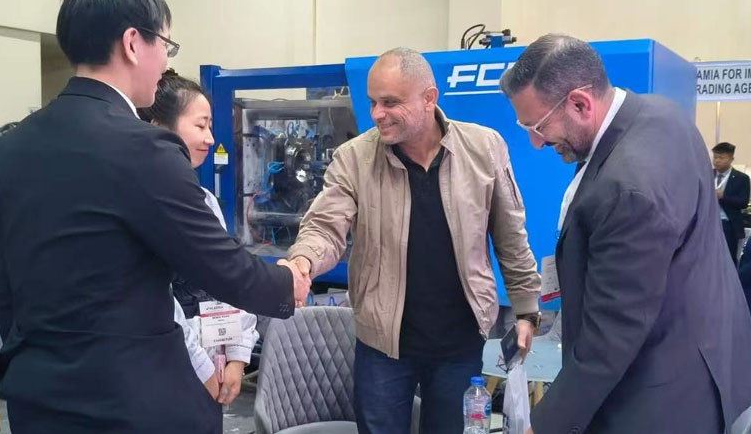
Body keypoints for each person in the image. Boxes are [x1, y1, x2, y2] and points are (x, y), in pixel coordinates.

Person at [0, 0, 309, 434]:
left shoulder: (14, 146)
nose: (164, 63)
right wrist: (286, 282)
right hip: (128, 402)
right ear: (133, 43)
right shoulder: (144, 147)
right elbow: (219, 266)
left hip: (37, 398)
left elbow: (6, 289)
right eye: (166, 46)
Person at [500, 33, 751, 434]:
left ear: (580, 103)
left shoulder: (627, 188)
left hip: (662, 396)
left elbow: (610, 337)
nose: (534, 142)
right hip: (707, 350)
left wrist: (543, 427)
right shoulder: (661, 114)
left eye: (538, 125)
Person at [283, 47, 541, 434]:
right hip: (383, 345)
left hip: (460, 341)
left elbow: (511, 235)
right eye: (372, 102)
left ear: (429, 98)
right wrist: (302, 261)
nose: (377, 114)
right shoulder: (355, 158)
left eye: (390, 102)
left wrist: (526, 310)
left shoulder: (484, 148)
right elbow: (325, 224)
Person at [138, 70, 259, 425]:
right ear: (160, 129)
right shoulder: (140, 204)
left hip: (212, 364)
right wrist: (203, 368)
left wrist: (236, 356)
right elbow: (158, 302)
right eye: (200, 125)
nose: (210, 138)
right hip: (163, 368)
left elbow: (227, 279)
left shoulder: (205, 201)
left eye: (210, 126)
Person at [712, 142, 750, 266]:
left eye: (721, 157)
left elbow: (743, 202)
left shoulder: (741, 178)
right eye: (715, 157)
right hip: (707, 222)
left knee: (727, 259)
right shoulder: (707, 175)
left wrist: (723, 197)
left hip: (728, 223)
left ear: (731, 158)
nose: (717, 161)